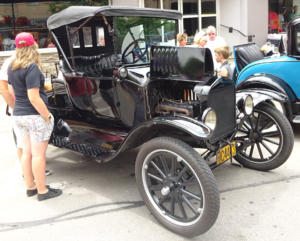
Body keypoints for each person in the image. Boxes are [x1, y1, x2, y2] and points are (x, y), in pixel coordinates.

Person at [7, 32, 62, 201]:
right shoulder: (31, 67)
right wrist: (47, 116)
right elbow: (33, 97)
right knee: (38, 155)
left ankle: (30, 187)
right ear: (33, 46)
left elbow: (11, 92)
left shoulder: (12, 66)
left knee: (26, 153)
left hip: (19, 115)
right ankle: (42, 191)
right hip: (35, 116)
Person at [0, 56, 53, 178]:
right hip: (28, 111)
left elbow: (10, 89)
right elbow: (4, 90)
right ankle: (40, 187)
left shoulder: (13, 63)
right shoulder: (18, 63)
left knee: (25, 149)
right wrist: (47, 117)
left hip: (20, 112)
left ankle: (30, 184)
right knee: (34, 152)